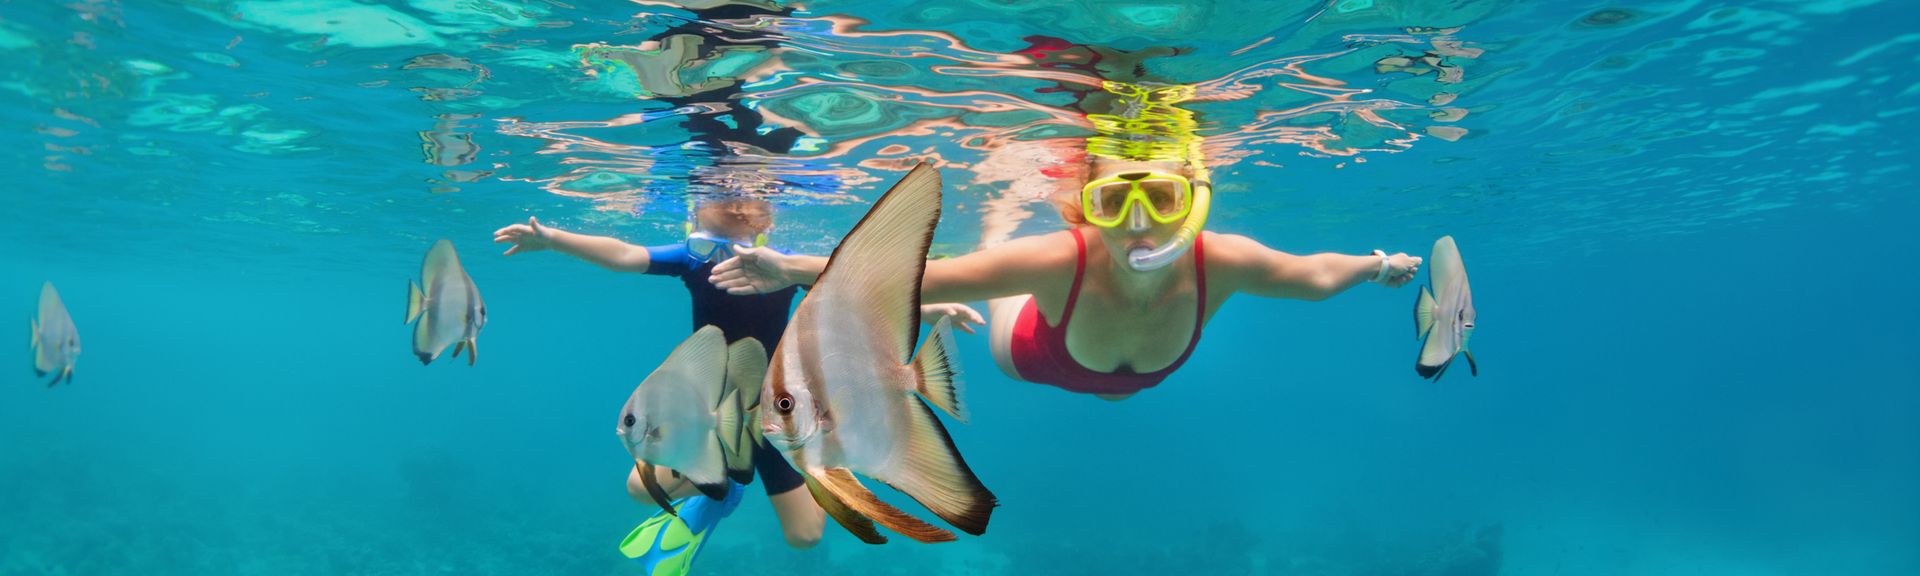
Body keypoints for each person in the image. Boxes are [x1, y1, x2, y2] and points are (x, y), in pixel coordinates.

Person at [708, 82, 1422, 401]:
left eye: (1161, 197)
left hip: (1130, 379)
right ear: (1089, 208)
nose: (1139, 222)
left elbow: (1314, 274)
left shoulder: (1223, 261)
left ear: (1194, 199)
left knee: (1111, 389)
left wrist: (1377, 265)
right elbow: (910, 278)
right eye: (1114, 201)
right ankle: (998, 223)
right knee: (992, 272)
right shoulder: (1062, 259)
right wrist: (791, 267)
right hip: (1034, 355)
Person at [492, 197, 982, 572]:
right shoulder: (692, 259)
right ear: (694, 218)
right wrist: (554, 238)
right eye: (717, 216)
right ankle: (716, 488)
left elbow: (858, 303)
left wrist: (932, 309)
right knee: (639, 489)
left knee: (806, 536)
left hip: (780, 411)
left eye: (746, 209)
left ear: (766, 223)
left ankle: (728, 487)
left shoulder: (782, 266)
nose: (735, 210)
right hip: (706, 408)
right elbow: (624, 254)